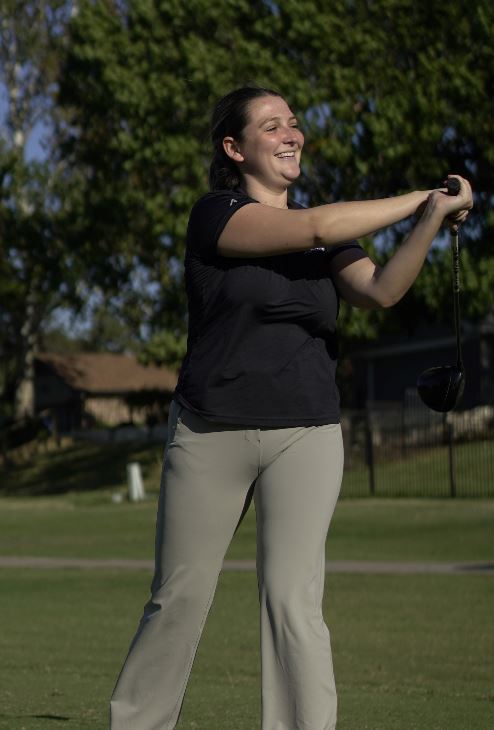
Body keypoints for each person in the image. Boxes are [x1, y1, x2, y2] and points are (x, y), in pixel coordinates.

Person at [110, 86, 472, 730]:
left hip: (305, 431)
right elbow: (312, 225)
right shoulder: (217, 215)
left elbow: (383, 291)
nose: (291, 134)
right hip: (209, 427)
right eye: (271, 125)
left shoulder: (328, 238)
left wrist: (432, 220)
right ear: (234, 147)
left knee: (292, 600)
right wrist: (423, 195)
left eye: (294, 124)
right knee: (180, 597)